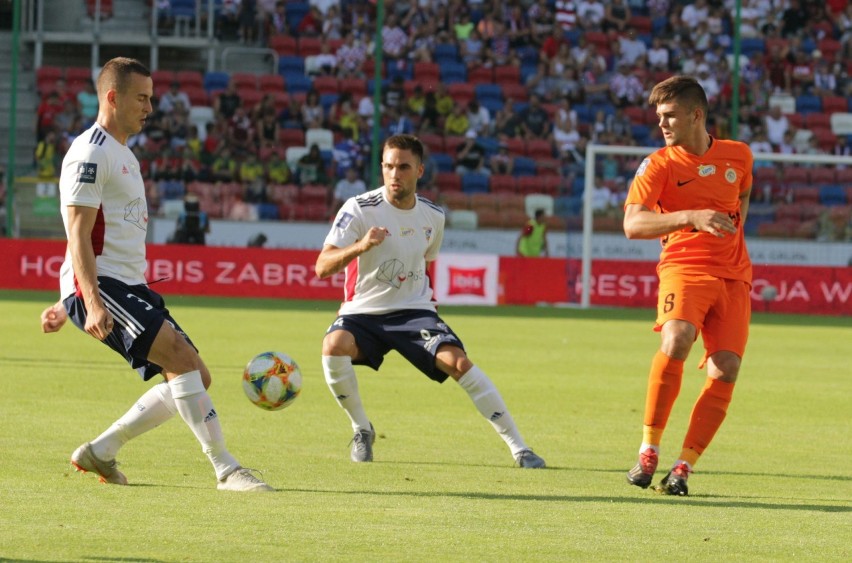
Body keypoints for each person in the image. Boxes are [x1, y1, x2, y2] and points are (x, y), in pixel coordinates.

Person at [39, 57, 272, 492]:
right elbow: (78, 232)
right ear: (112, 97)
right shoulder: (90, 151)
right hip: (104, 287)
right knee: (182, 362)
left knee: (195, 376)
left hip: (126, 286)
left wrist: (64, 298)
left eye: (152, 98)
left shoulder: (122, 153)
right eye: (141, 98)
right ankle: (226, 469)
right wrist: (85, 299)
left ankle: (102, 450)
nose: (150, 107)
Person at [314, 134, 546, 469]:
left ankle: (520, 448)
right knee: (333, 345)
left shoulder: (433, 217)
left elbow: (425, 264)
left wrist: (425, 309)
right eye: (389, 166)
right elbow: (323, 266)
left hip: (413, 312)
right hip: (363, 312)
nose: (395, 174)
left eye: (403, 167)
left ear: (419, 170)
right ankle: (361, 429)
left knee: (461, 364)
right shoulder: (359, 209)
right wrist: (361, 247)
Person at [623, 76, 753, 496]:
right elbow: (632, 224)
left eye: (669, 115)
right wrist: (691, 217)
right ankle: (649, 448)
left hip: (733, 276)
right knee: (677, 338)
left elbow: (743, 193)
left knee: (726, 368)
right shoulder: (658, 164)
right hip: (684, 266)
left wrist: (733, 228)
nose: (661, 123)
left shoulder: (739, 155)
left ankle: (684, 466)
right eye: (659, 116)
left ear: (696, 114)